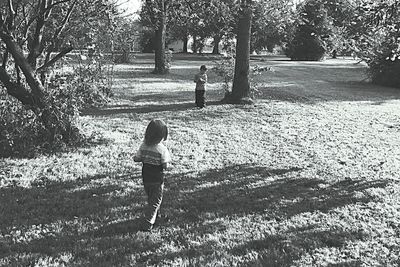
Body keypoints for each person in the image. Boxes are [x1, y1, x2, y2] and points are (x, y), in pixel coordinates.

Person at [134, 119, 171, 231]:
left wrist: (137, 158)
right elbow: (165, 165)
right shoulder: (162, 149)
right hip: (157, 179)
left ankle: (157, 216)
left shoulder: (143, 146)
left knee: (152, 198)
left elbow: (137, 158)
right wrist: (168, 166)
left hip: (146, 178)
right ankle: (148, 222)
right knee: (156, 201)